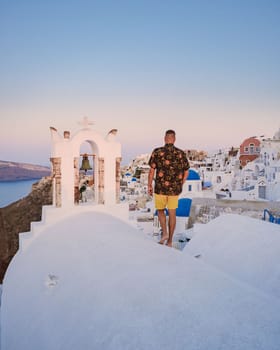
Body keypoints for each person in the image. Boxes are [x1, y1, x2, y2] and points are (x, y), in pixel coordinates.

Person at [148, 130, 190, 247]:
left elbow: (152, 170)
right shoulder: (181, 153)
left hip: (160, 188)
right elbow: (186, 171)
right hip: (174, 190)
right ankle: (170, 241)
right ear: (174, 139)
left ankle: (164, 233)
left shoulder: (157, 152)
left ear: (165, 138)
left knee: (160, 210)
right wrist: (181, 183)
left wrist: (149, 185)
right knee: (172, 213)